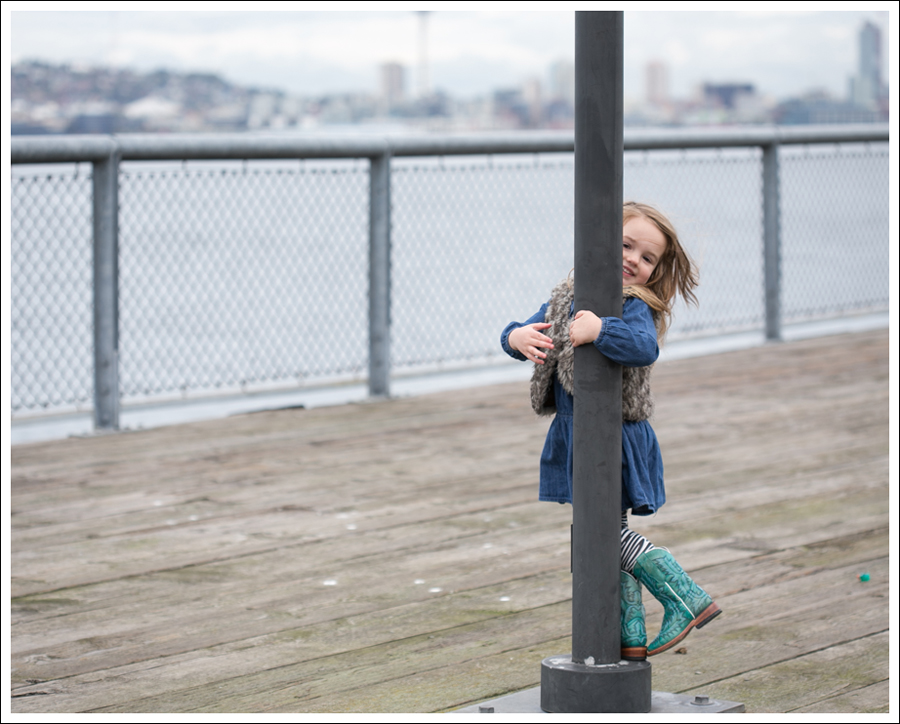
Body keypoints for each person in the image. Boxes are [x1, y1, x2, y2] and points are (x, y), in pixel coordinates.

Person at [500, 201, 720, 660]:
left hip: (613, 436)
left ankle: (686, 598)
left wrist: (601, 329)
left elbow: (642, 347)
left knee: (598, 530)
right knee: (605, 527)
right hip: (579, 431)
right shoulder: (566, 296)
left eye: (647, 257)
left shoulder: (633, 303)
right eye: (625, 245)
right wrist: (515, 337)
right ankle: (630, 636)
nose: (633, 260)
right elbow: (527, 328)